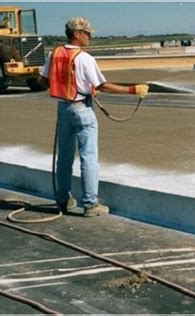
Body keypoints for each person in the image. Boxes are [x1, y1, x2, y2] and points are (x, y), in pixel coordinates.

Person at [38, 17, 149, 217]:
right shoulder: (84, 58)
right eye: (87, 33)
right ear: (77, 34)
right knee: (88, 157)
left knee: (63, 157)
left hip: (63, 109)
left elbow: (43, 81)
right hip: (81, 109)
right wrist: (134, 89)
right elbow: (102, 86)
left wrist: (70, 85)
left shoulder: (53, 54)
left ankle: (63, 200)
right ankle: (90, 204)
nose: (90, 37)